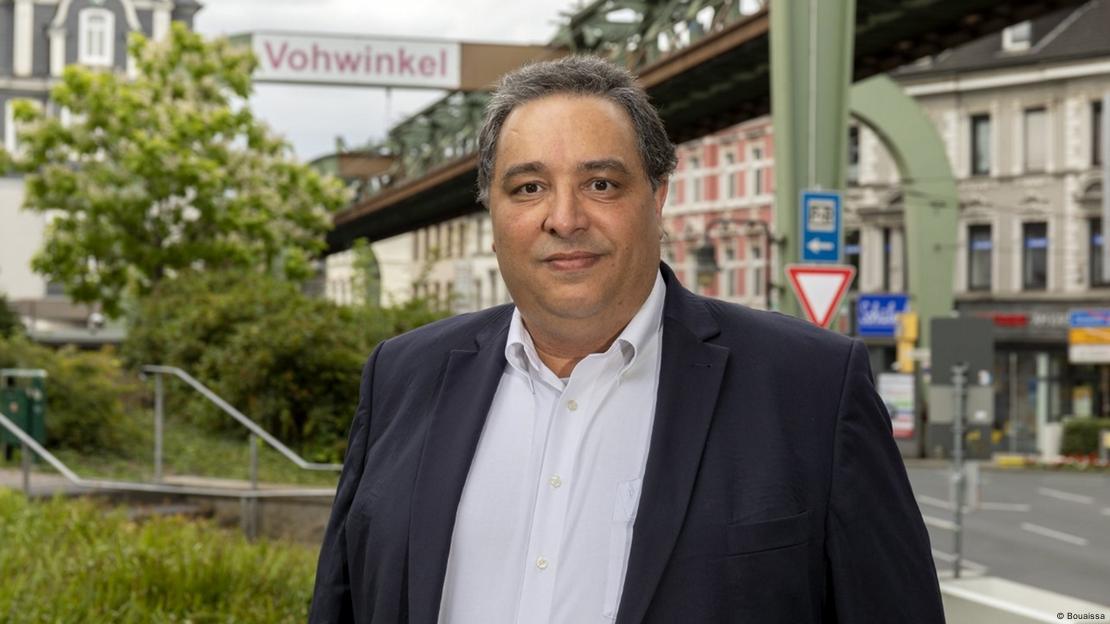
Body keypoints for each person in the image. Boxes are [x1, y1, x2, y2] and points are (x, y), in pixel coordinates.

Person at [309, 55, 945, 624]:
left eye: (601, 184)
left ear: (658, 195)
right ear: (492, 209)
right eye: (528, 188)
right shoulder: (401, 375)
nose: (564, 219)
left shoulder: (813, 387)